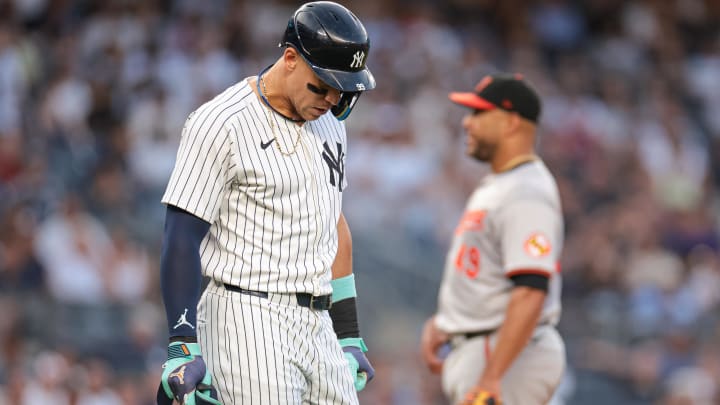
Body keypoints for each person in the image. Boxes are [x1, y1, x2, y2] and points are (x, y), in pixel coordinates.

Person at [156, 2, 376, 404]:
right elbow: (181, 235)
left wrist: (347, 331)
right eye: (323, 84)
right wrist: (181, 343)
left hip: (318, 322)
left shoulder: (330, 125)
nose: (332, 98)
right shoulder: (222, 122)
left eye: (342, 88)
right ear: (290, 58)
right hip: (247, 315)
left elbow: (334, 224)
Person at [420, 73, 566, 405]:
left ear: (512, 122)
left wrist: (492, 376)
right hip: (487, 348)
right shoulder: (503, 184)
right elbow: (487, 273)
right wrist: (447, 322)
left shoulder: (526, 191)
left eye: (479, 113)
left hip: (504, 356)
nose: (467, 124)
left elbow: (530, 288)